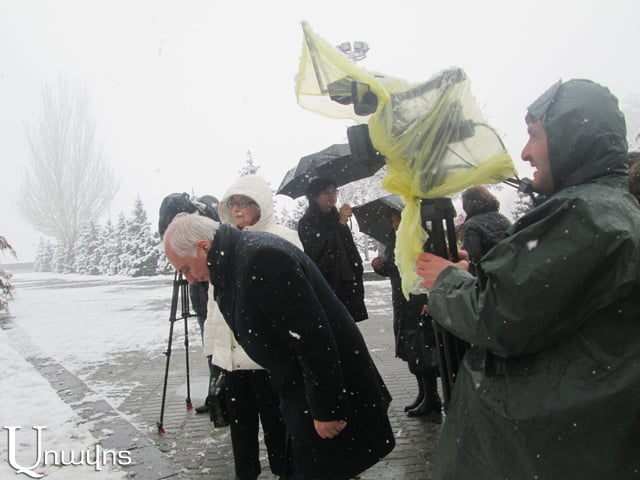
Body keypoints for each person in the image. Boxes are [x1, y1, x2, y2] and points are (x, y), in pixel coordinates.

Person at [415, 79, 640, 479]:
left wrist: (446, 280)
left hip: (542, 445)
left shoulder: (585, 214)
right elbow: (546, 298)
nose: (525, 152)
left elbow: (496, 317)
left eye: (535, 135)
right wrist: (477, 274)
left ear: (573, 137)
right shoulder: (612, 207)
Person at [163, 213, 395, 480]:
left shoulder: (258, 260)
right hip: (302, 389)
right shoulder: (236, 258)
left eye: (185, 268)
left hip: (324, 391)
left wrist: (327, 409)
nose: (189, 279)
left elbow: (312, 339)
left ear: (204, 246)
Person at [201, 174, 298, 480]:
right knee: (241, 436)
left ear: (262, 205)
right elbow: (213, 307)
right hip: (231, 362)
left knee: (277, 431)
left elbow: (297, 303)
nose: (239, 209)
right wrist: (213, 356)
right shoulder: (222, 244)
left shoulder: (283, 238)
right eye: (234, 203)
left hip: (266, 359)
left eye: (246, 202)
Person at [371, 210, 440, 418]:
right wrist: (379, 267)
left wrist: (430, 298)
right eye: (392, 221)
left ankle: (432, 398)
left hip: (417, 299)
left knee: (421, 349)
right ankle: (423, 394)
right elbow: (394, 268)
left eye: (398, 220)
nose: (394, 224)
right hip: (402, 300)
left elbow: (428, 268)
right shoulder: (396, 240)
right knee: (411, 348)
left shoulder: (419, 239)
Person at [297, 178, 368, 322]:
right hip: (327, 282)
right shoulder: (307, 222)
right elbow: (320, 250)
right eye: (326, 192)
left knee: (349, 328)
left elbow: (348, 249)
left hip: (347, 281)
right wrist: (340, 224)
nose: (332, 195)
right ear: (315, 196)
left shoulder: (336, 216)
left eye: (334, 191)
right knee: (332, 327)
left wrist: (356, 270)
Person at [460, 185, 512, 275]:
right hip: (511, 271)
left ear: (467, 205)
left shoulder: (472, 224)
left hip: (489, 277)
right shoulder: (504, 219)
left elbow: (471, 258)